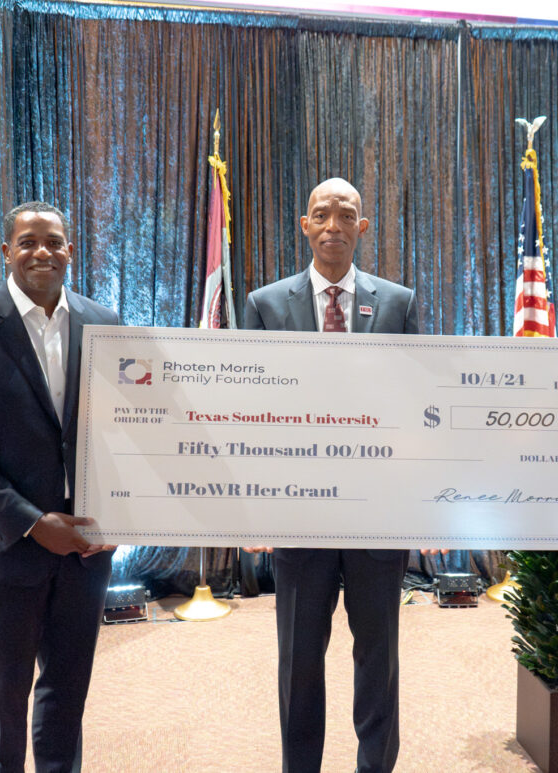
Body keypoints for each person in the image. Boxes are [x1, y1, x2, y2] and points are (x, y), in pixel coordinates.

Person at [0, 201, 118, 772]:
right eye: (29, 242)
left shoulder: (105, 326)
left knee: (66, 699)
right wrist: (35, 523)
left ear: (70, 251)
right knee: (2, 709)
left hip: (88, 551)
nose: (43, 252)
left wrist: (121, 515)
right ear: (6, 252)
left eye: (54, 241)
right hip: (6, 554)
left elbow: (126, 433)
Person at [243, 178, 419, 773]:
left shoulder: (397, 302)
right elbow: (249, 412)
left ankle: (376, 766)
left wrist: (420, 506)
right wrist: (253, 504)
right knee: (298, 659)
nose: (334, 226)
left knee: (379, 656)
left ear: (363, 228)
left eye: (347, 216)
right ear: (304, 224)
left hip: (377, 516)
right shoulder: (265, 304)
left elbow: (416, 408)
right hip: (299, 513)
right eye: (322, 215)